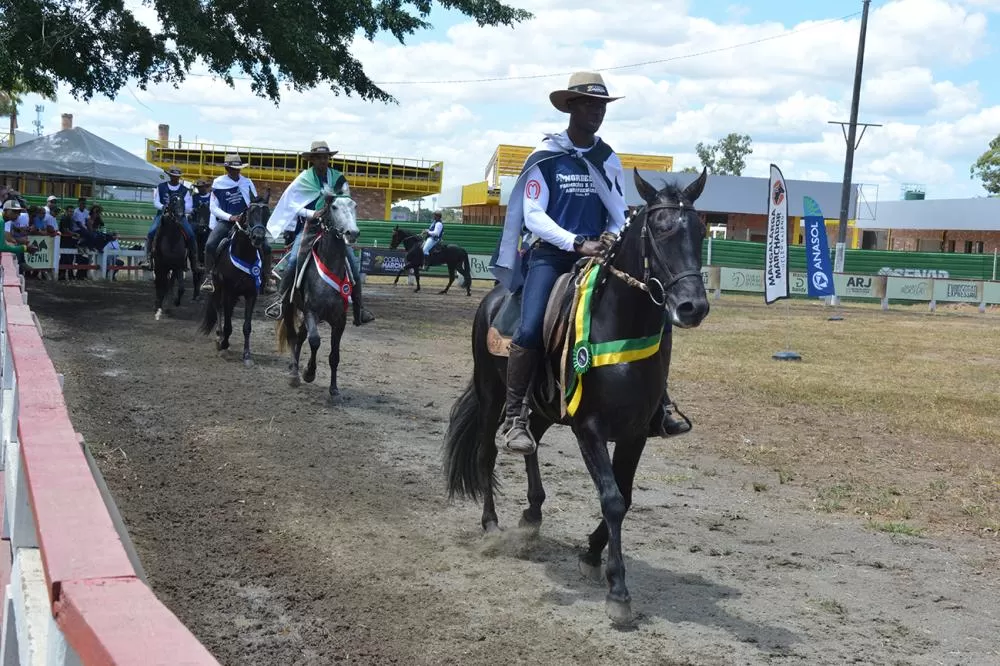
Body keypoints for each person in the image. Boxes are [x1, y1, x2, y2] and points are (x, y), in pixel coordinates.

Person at [490, 71, 690, 456]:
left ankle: (659, 403)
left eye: (601, 106)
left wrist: (613, 236)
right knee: (531, 327)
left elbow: (618, 211)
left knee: (653, 314)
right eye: (589, 104)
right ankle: (515, 415)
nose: (597, 112)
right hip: (551, 255)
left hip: (600, 253)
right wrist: (576, 242)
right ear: (571, 107)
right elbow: (534, 216)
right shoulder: (545, 157)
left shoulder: (607, 158)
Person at [267, 141, 374, 325]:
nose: (323, 161)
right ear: (312, 160)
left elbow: (346, 201)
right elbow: (292, 206)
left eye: (326, 157)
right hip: (311, 226)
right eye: (319, 158)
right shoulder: (303, 179)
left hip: (334, 229)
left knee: (353, 265)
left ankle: (359, 309)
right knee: (293, 261)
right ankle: (280, 301)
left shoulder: (338, 178)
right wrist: (312, 213)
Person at [203, 154, 268, 292]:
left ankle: (266, 278)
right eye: (233, 168)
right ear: (227, 168)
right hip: (227, 221)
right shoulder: (218, 183)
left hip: (246, 223)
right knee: (210, 244)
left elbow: (254, 203)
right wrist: (230, 217)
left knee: (266, 246)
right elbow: (213, 207)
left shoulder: (247, 182)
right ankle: (209, 276)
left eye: (238, 168)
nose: (236, 171)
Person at [147, 166, 197, 268]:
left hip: (180, 217)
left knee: (191, 234)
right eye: (173, 176)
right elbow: (156, 202)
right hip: (163, 214)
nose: (175, 178)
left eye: (177, 176)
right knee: (151, 232)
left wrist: (180, 210)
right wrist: (164, 207)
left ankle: (193, 262)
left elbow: (189, 206)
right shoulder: (160, 187)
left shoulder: (185, 190)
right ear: (169, 176)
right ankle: (148, 258)